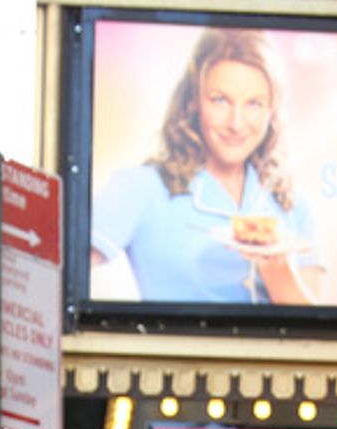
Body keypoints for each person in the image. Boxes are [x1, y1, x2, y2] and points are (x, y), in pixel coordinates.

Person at [91, 26, 324, 307]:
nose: (236, 124)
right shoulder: (142, 187)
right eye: (220, 100)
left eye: (254, 103)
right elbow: (60, 272)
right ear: (192, 101)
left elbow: (314, 335)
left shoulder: (292, 204)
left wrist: (277, 268)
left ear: (271, 110)